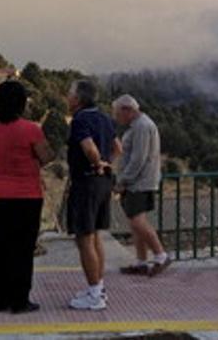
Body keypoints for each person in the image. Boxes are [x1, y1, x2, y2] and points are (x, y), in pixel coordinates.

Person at [0, 80, 54, 314]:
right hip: (26, 194)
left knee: (1, 247)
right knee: (23, 249)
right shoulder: (31, 129)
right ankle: (19, 299)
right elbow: (46, 157)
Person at [65, 80, 116, 310]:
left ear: (78, 99)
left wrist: (96, 163)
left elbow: (88, 147)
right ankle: (98, 285)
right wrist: (107, 164)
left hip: (86, 182)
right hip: (104, 183)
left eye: (70, 94)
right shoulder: (105, 118)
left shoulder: (80, 120)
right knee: (95, 236)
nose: (67, 97)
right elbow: (118, 147)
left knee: (83, 237)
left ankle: (94, 294)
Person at [112, 94, 170, 276]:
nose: (117, 118)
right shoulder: (139, 126)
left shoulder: (142, 127)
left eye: (117, 114)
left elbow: (138, 159)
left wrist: (123, 181)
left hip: (139, 182)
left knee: (137, 221)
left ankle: (161, 255)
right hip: (140, 181)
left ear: (127, 110)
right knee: (135, 222)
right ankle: (141, 261)